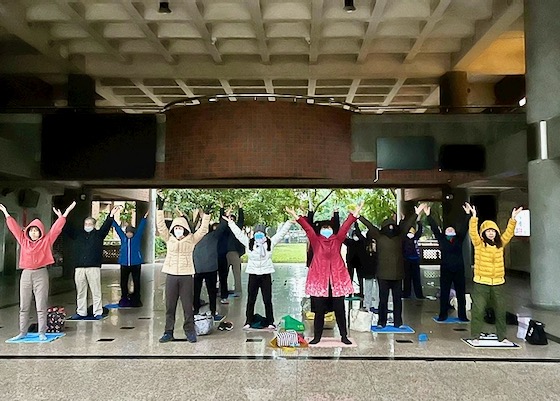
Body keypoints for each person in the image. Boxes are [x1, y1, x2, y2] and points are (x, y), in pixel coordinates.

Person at [288, 202, 364, 345]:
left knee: (340, 310)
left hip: (336, 281)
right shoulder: (316, 241)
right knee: (319, 311)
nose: (326, 230)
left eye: (328, 228)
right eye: (324, 228)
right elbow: (308, 229)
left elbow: (345, 227)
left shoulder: (337, 240)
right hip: (319, 281)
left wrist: (354, 215)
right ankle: (317, 337)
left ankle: (344, 336)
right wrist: (296, 216)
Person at [0, 201, 76, 340]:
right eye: (32, 230)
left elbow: (56, 229)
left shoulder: (46, 241)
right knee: (24, 305)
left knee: (41, 305)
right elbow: (14, 228)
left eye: (36, 231)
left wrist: (64, 214)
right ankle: (22, 332)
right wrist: (6, 214)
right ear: (28, 231)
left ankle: (42, 332)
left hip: (41, 273)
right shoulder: (23, 240)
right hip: (26, 274)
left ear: (40, 232)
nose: (34, 233)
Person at [359, 204, 425, 328]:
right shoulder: (383, 236)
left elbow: (405, 226)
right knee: (385, 300)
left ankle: (395, 322)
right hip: (386, 275)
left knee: (394, 300)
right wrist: (358, 216)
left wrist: (416, 214)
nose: (390, 228)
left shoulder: (397, 237)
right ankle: (384, 322)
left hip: (395, 275)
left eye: (392, 226)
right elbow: (370, 226)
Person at [465, 202, 522, 344]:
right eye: (488, 231)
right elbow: (473, 232)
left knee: (501, 311)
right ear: (483, 232)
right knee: (478, 309)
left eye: (493, 230)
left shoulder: (500, 244)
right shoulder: (479, 244)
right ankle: (475, 336)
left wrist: (513, 219)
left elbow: (509, 233)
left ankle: (502, 337)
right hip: (481, 282)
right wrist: (474, 217)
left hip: (498, 282)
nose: (491, 233)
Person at [156, 196, 210, 343]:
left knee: (187, 306)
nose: (178, 230)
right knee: (170, 306)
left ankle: (190, 331)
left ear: (185, 229)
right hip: (171, 275)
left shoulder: (192, 239)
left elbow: (203, 230)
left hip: (186, 276)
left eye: (180, 228)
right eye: (176, 228)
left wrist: (206, 216)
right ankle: (168, 332)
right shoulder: (169, 238)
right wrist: (159, 209)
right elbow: (161, 226)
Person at [225, 217, 292, 330]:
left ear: (265, 234)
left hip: (266, 274)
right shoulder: (249, 243)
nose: (259, 235)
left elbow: (281, 234)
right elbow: (239, 235)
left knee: (267, 299)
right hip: (253, 274)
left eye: (261, 233)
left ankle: (270, 321)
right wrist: (230, 223)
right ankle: (248, 321)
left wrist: (290, 222)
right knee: (251, 299)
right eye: (257, 233)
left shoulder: (270, 243)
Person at [64, 205, 119, 320]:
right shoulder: (78, 234)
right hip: (79, 267)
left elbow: (106, 226)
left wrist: (111, 215)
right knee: (80, 291)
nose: (87, 226)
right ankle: (81, 312)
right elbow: (67, 228)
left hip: (93, 267)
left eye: (90, 224)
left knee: (96, 291)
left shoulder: (98, 235)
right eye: (86, 224)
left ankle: (98, 312)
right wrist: (63, 216)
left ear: (94, 225)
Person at [426, 205, 470, 322]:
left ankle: (462, 315)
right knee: (444, 293)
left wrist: (468, 214)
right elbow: (434, 228)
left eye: (452, 229)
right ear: (445, 232)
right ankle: (443, 314)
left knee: (461, 293)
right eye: (448, 229)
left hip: (459, 269)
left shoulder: (459, 239)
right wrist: (428, 215)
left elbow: (465, 227)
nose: (450, 230)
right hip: (446, 269)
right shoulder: (441, 239)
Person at [192, 208, 229, 321]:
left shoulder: (195, 236)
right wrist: (224, 215)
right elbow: (223, 225)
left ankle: (196, 311)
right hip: (208, 269)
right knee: (211, 293)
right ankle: (212, 312)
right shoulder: (213, 236)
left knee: (197, 292)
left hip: (200, 269)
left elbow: (190, 226)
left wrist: (198, 216)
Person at [111, 207, 148, 307]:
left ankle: (136, 298)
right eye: (127, 232)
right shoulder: (123, 237)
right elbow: (117, 228)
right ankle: (124, 297)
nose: (129, 234)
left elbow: (141, 227)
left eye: (131, 233)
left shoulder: (137, 238)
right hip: (124, 264)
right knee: (123, 282)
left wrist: (145, 218)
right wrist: (111, 216)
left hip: (135, 264)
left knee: (136, 282)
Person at [217, 203, 245, 304]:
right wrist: (222, 209)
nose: (230, 220)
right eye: (229, 218)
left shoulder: (237, 229)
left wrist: (240, 208)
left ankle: (238, 291)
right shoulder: (224, 229)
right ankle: (221, 291)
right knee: (223, 275)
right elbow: (221, 220)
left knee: (237, 273)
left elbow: (241, 220)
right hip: (224, 254)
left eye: (232, 218)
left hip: (234, 253)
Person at [402, 221, 424, 299]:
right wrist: (419, 222)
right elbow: (420, 230)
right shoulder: (415, 237)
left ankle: (406, 293)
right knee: (416, 279)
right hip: (414, 260)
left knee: (407, 278)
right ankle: (418, 294)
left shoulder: (404, 238)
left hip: (408, 260)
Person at [343, 222, 366, 297]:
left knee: (350, 278)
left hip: (351, 262)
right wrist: (356, 225)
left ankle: (350, 293)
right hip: (360, 262)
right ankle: (361, 293)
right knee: (360, 279)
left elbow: (343, 238)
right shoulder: (361, 242)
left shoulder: (350, 242)